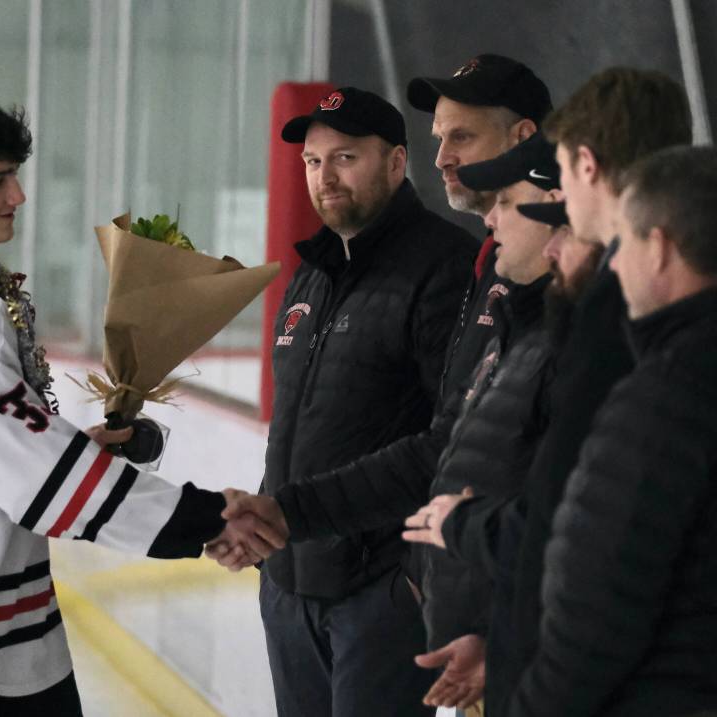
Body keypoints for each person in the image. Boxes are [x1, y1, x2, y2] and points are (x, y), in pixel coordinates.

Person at [0, 79, 284, 717]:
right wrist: (207, 518)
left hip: (3, 633)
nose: (19, 195)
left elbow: (1, 452)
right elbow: (35, 474)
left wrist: (74, 449)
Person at [217, 55, 552, 711]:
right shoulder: (311, 274)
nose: (324, 177)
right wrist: (268, 530)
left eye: (344, 158)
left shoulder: (454, 268)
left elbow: (454, 447)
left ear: (395, 164)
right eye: (314, 162)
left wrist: (422, 584)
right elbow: (298, 426)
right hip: (290, 581)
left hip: (381, 592)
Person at [404, 67, 693, 716]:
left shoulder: (614, 325)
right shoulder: (600, 319)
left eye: (539, 190)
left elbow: (590, 549)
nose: (497, 222)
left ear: (583, 168)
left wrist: (530, 690)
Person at [508, 145, 717, 717]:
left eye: (623, 241)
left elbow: (597, 612)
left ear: (662, 248)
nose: (615, 264)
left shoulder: (665, 397)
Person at [399, 133, 561, 715]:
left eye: (506, 202)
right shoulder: (517, 324)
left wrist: (512, 647)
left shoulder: (584, 349)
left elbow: (582, 539)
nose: (490, 218)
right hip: (492, 657)